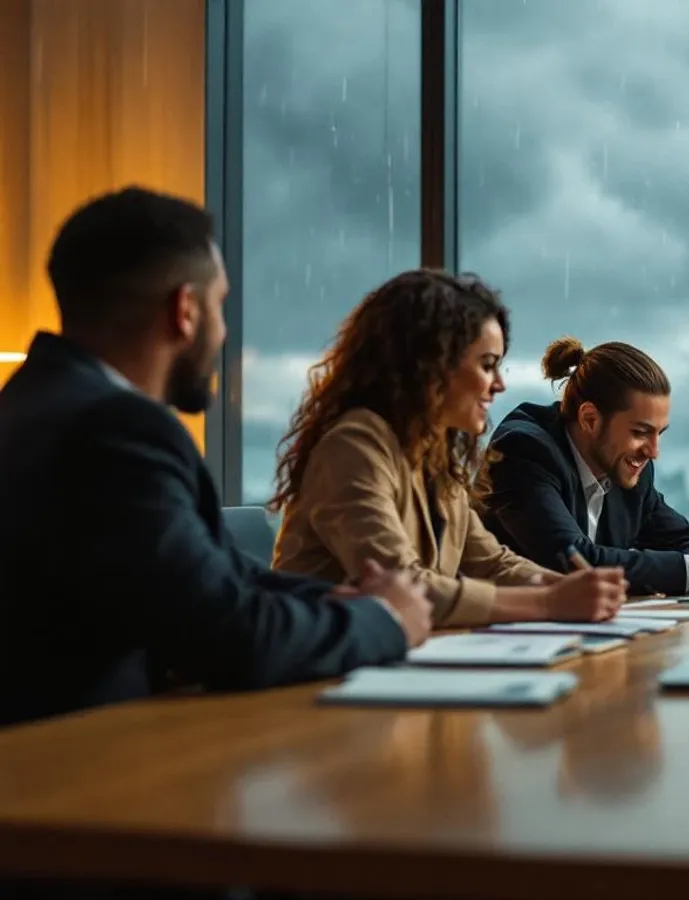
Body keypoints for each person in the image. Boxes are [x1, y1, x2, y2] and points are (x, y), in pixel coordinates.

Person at [0, 186, 431, 729]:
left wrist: (346, 599)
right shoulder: (116, 428)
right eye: (220, 305)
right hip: (75, 776)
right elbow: (226, 635)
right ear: (184, 310)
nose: (224, 333)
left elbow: (211, 573)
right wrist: (385, 621)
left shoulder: (31, 403)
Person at [271, 270, 626, 626]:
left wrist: (569, 587)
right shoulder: (352, 446)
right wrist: (550, 602)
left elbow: (490, 562)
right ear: (430, 365)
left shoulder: (434, 455)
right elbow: (400, 588)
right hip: (320, 676)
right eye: (487, 365)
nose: (499, 384)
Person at [484, 338, 689, 596]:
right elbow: (575, 561)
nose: (653, 452)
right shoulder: (523, 450)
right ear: (590, 419)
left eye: (659, 433)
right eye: (640, 432)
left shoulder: (629, 468)